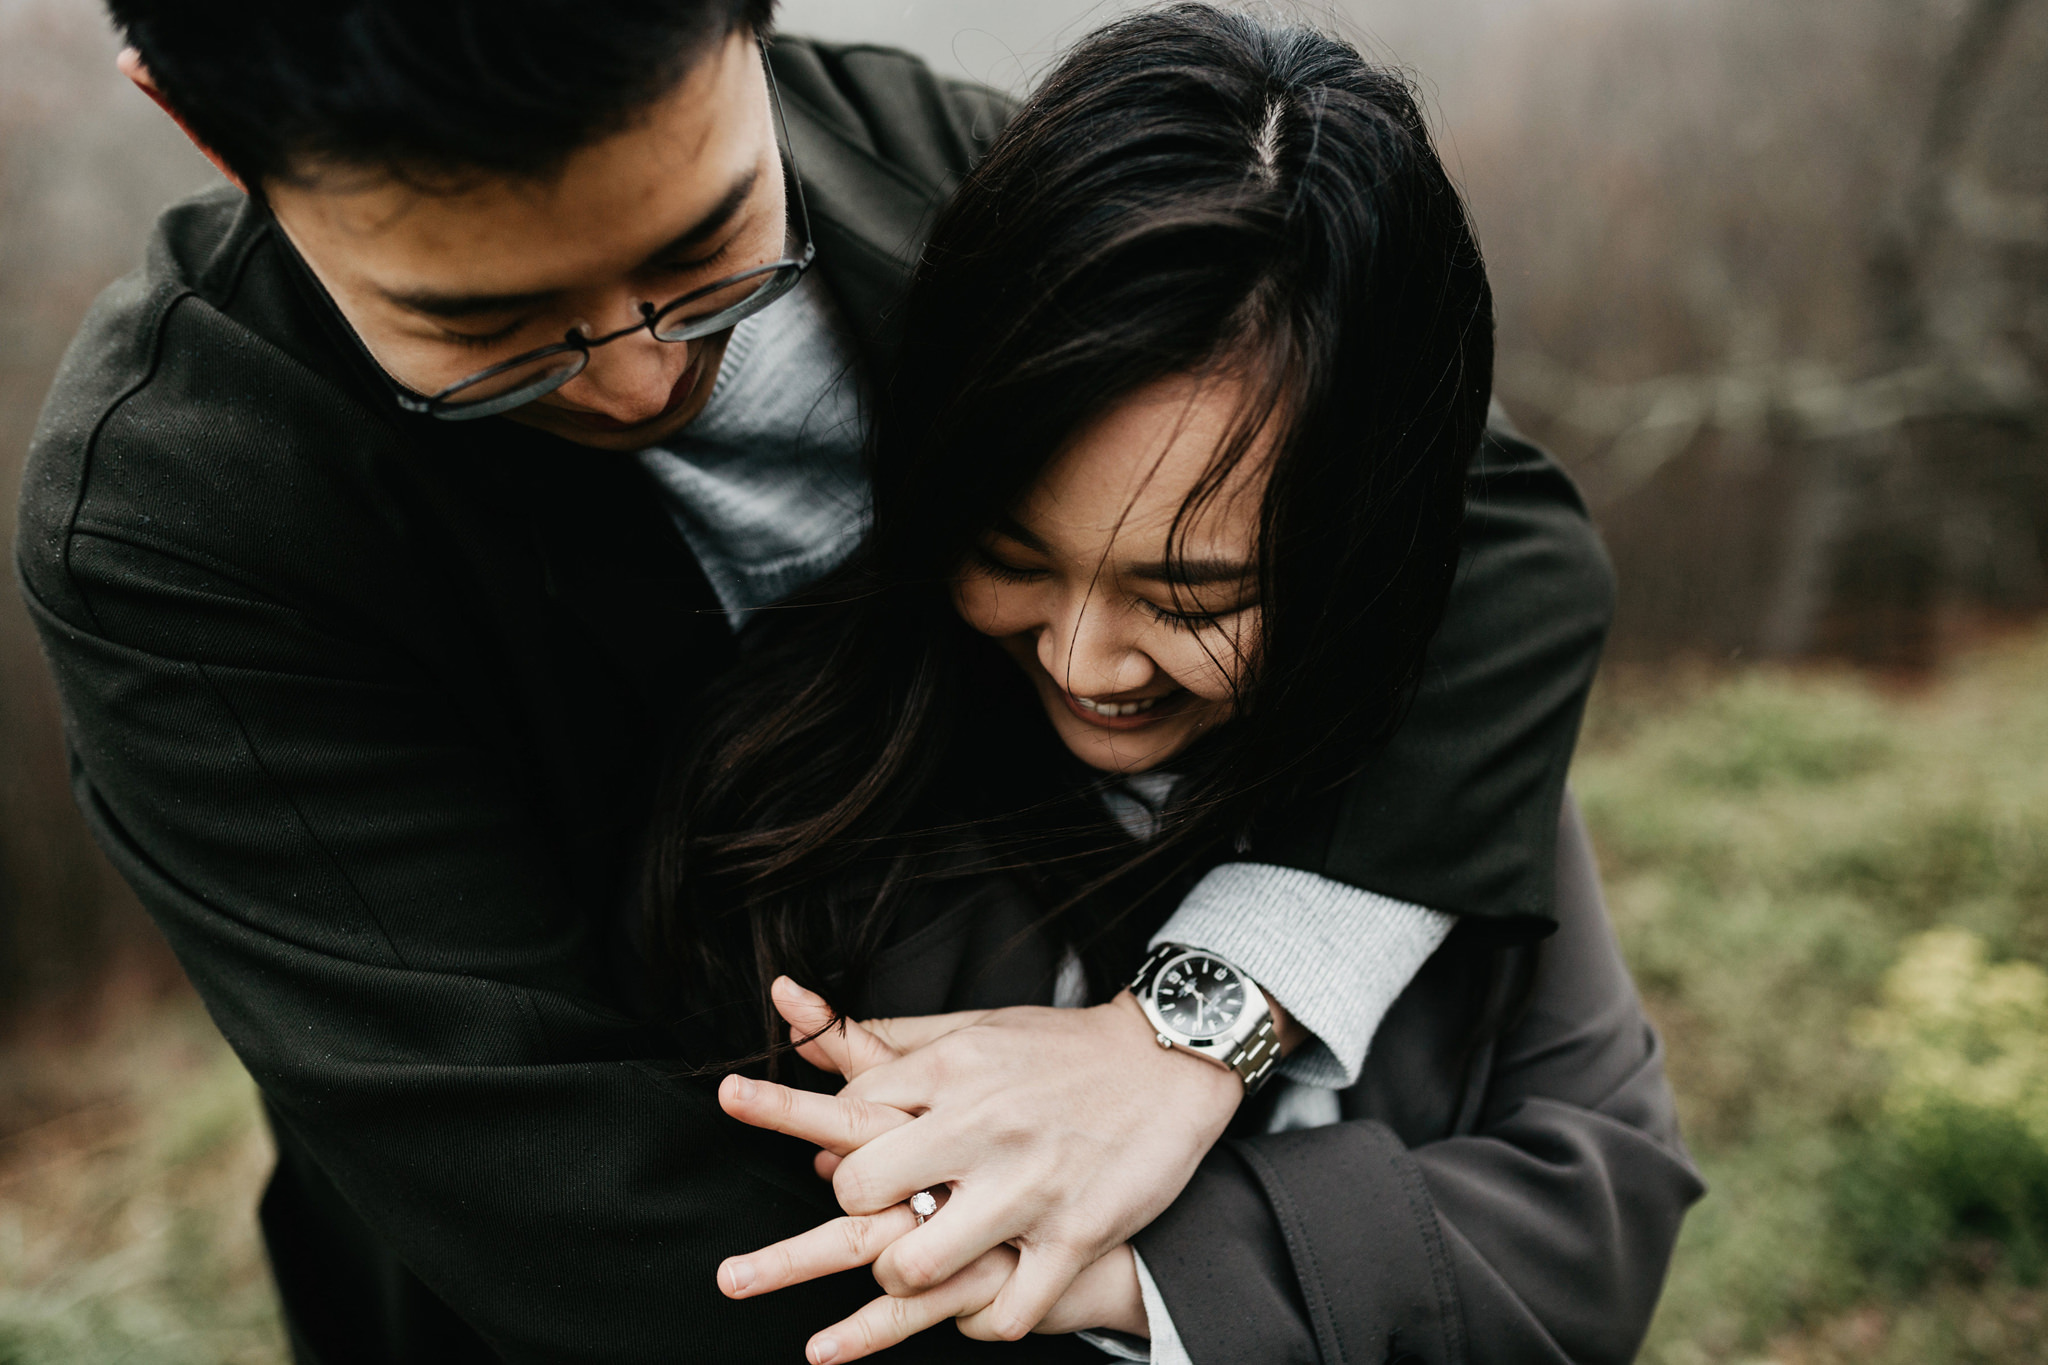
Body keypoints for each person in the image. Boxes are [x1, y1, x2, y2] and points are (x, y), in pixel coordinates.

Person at [17, 0, 1617, 1359]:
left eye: (705, 253)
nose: (646, 373)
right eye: (494, 332)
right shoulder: (175, 514)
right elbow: (541, 1158)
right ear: (206, 130)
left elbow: (1493, 537)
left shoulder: (955, 184)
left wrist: (1193, 1030)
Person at [638, 9, 1703, 1362]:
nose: (1085, 662)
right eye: (1009, 553)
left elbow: (1599, 1216)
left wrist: (1147, 1268)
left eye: (1194, 597)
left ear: (1368, 551)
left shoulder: (1438, 767)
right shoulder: (792, 807)